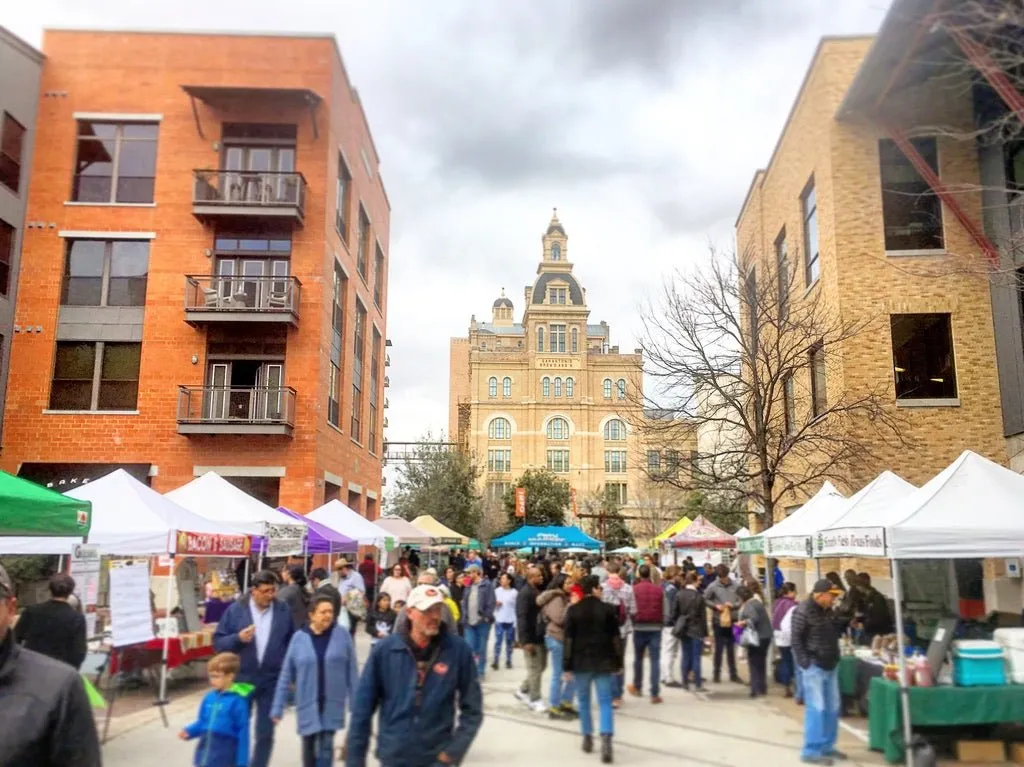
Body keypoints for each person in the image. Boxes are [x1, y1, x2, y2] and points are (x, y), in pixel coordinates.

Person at [345, 584, 483, 767]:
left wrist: (452, 753)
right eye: (426, 610)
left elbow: (473, 710)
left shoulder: (457, 651)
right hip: (394, 756)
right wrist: (355, 759)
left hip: (436, 758)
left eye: (437, 609)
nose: (434, 616)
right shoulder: (386, 651)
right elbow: (362, 709)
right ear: (409, 613)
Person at [0, 564, 101, 767]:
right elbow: (79, 651)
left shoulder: (61, 688)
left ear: (10, 609)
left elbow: (19, 635)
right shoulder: (75, 618)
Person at [214, 569, 295, 767]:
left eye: (273, 590)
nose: (271, 595)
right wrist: (238, 639)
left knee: (265, 732)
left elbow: (292, 643)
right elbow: (218, 642)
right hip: (243, 679)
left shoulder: (283, 610)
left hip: (271, 680)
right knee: (237, 727)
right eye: (266, 591)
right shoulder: (236, 610)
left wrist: (291, 675)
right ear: (254, 591)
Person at [272, 595, 358, 767]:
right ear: (311, 615)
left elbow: (352, 672)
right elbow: (286, 673)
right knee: (308, 751)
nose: (328, 615)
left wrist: (357, 706)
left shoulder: (342, 635)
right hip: (307, 703)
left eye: (331, 612)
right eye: (323, 612)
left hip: (333, 704)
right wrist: (277, 707)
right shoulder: (298, 638)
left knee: (326, 749)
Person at [565, 574, 623, 764]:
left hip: (581, 662)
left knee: (583, 701)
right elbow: (616, 638)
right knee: (605, 701)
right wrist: (618, 662)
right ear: (595, 589)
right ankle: (606, 739)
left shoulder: (573, 610)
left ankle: (587, 736)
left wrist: (567, 665)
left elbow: (569, 641)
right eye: (600, 587)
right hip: (603, 660)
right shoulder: (608, 610)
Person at [791, 579, 846, 766]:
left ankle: (827, 746)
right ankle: (811, 750)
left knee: (832, 707)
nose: (833, 599)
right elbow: (796, 639)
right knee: (817, 708)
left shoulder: (828, 612)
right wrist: (805, 663)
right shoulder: (803, 610)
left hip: (830, 664)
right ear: (820, 594)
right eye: (832, 595)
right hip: (814, 665)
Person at [179, 652, 251, 767]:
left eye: (217, 676)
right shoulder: (209, 698)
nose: (212, 680)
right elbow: (202, 721)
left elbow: (243, 733)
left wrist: (242, 763)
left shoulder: (238, 702)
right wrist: (189, 731)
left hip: (225, 755)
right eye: (211, 676)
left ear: (230, 677)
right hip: (205, 752)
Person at [13, 573, 87, 669]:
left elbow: (14, 639)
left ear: (50, 590)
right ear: (71, 592)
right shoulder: (77, 618)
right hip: (60, 671)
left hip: (31, 668)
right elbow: (79, 652)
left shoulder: (31, 611)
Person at [538, 573, 578, 719]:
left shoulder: (564, 597)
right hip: (555, 638)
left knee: (571, 673)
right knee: (558, 674)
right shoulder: (556, 599)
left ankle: (566, 702)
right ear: (560, 583)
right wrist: (571, 605)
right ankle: (554, 707)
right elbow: (559, 619)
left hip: (565, 639)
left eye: (571, 582)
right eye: (567, 583)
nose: (570, 585)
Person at [600, 563, 636, 708]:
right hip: (623, 630)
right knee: (619, 661)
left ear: (608, 571)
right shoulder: (628, 588)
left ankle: (610, 692)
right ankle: (618, 694)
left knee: (608, 661)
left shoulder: (602, 587)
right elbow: (633, 610)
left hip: (607, 631)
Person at [627, 564, 664, 704]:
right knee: (655, 660)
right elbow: (664, 607)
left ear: (638, 574)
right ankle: (654, 693)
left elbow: (631, 608)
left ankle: (637, 686)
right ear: (650, 574)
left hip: (639, 626)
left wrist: (633, 621)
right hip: (655, 627)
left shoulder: (634, 589)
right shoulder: (658, 590)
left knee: (638, 658)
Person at [514, 566, 548, 712]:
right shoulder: (525, 594)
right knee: (535, 668)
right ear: (531, 577)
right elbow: (521, 617)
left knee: (541, 666)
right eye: (538, 576)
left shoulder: (536, 590)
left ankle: (523, 690)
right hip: (531, 637)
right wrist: (525, 640)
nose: (541, 578)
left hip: (540, 635)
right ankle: (535, 699)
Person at [704, 564, 741, 684]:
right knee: (718, 648)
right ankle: (716, 673)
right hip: (718, 620)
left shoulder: (736, 585)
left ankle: (733, 674)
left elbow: (741, 599)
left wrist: (734, 606)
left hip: (732, 619)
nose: (723, 579)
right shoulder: (713, 586)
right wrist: (715, 606)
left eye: (724, 577)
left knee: (731, 648)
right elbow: (705, 598)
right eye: (721, 577)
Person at [670, 571, 708, 691]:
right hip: (696, 629)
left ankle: (685, 682)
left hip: (684, 628)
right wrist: (706, 633)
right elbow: (703, 617)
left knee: (685, 655)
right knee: (696, 657)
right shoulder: (699, 597)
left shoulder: (679, 594)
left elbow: (673, 613)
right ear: (695, 581)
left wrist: (679, 622)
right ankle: (697, 683)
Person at [736, 585, 772, 697]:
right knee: (761, 662)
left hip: (757, 637)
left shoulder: (749, 605)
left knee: (754, 663)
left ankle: (755, 689)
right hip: (766, 636)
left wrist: (743, 623)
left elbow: (754, 618)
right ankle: (762, 687)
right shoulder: (757, 602)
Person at [460, 564, 495, 678]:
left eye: (470, 573)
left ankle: (480, 671)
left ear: (476, 572)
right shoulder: (468, 585)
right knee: (470, 647)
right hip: (468, 621)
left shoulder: (486, 585)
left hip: (482, 622)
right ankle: (472, 670)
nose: (468, 575)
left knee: (481, 648)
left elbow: (491, 602)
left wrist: (486, 616)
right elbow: (464, 601)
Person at [772, 582, 800, 698]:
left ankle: (786, 685)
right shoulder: (793, 605)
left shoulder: (777, 602)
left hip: (777, 634)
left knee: (784, 659)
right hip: (789, 635)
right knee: (791, 661)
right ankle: (791, 685)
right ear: (791, 592)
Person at [852, 573, 893, 645]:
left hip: (879, 633)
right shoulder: (865, 598)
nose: (857, 588)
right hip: (869, 632)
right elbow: (866, 613)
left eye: (857, 585)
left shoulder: (877, 598)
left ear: (862, 585)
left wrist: (864, 624)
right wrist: (858, 619)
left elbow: (879, 618)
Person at [335, 558, 367, 639]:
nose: (338, 572)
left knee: (349, 634)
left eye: (339, 570)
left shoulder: (356, 577)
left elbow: (361, 592)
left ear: (344, 568)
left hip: (351, 609)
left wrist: (347, 597)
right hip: (341, 609)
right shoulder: (341, 578)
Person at [492, 572, 517, 670]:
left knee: (509, 641)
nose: (501, 580)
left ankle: (509, 660)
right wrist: (496, 605)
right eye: (501, 579)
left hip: (510, 620)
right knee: (498, 641)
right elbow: (493, 605)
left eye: (503, 578)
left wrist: (516, 622)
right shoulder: (497, 591)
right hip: (499, 619)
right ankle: (496, 660)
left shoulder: (514, 592)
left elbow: (516, 608)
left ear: (509, 581)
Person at [278, 564, 311, 631]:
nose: (281, 573)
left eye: (283, 571)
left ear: (289, 573)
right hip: (305, 630)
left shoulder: (285, 592)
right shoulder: (305, 591)